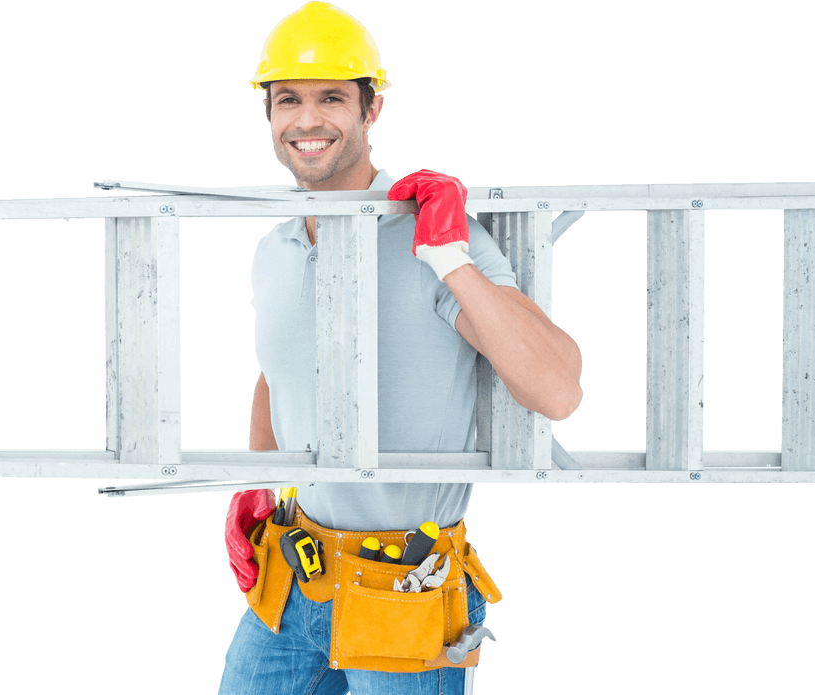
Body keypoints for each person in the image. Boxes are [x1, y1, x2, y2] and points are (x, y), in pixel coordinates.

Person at [218, 3, 584, 694]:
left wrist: (448, 256)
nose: (308, 120)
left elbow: (556, 388)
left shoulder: (440, 241)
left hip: (404, 592)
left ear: (372, 108)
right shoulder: (274, 250)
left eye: (332, 98)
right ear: (267, 112)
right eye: (288, 99)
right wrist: (256, 485)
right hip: (291, 579)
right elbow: (275, 373)